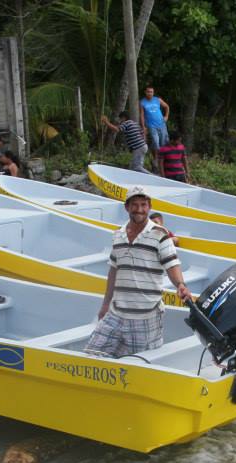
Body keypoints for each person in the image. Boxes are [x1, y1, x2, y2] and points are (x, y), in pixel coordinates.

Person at [84, 187, 191, 358]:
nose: (139, 209)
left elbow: (172, 264)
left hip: (146, 315)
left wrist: (180, 285)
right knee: (92, 353)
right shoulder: (118, 234)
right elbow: (113, 271)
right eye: (135, 205)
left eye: (144, 205)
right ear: (127, 207)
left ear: (149, 207)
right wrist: (105, 304)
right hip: (116, 312)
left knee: (137, 364)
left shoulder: (160, 234)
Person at [139, 85, 170, 170]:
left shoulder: (157, 100)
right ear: (145, 92)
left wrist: (166, 116)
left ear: (153, 92)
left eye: (151, 92)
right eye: (148, 92)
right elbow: (141, 115)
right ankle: (156, 160)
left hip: (162, 124)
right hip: (151, 126)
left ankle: (164, 161)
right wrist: (143, 126)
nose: (150, 93)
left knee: (164, 142)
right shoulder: (142, 102)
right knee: (155, 143)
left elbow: (166, 107)